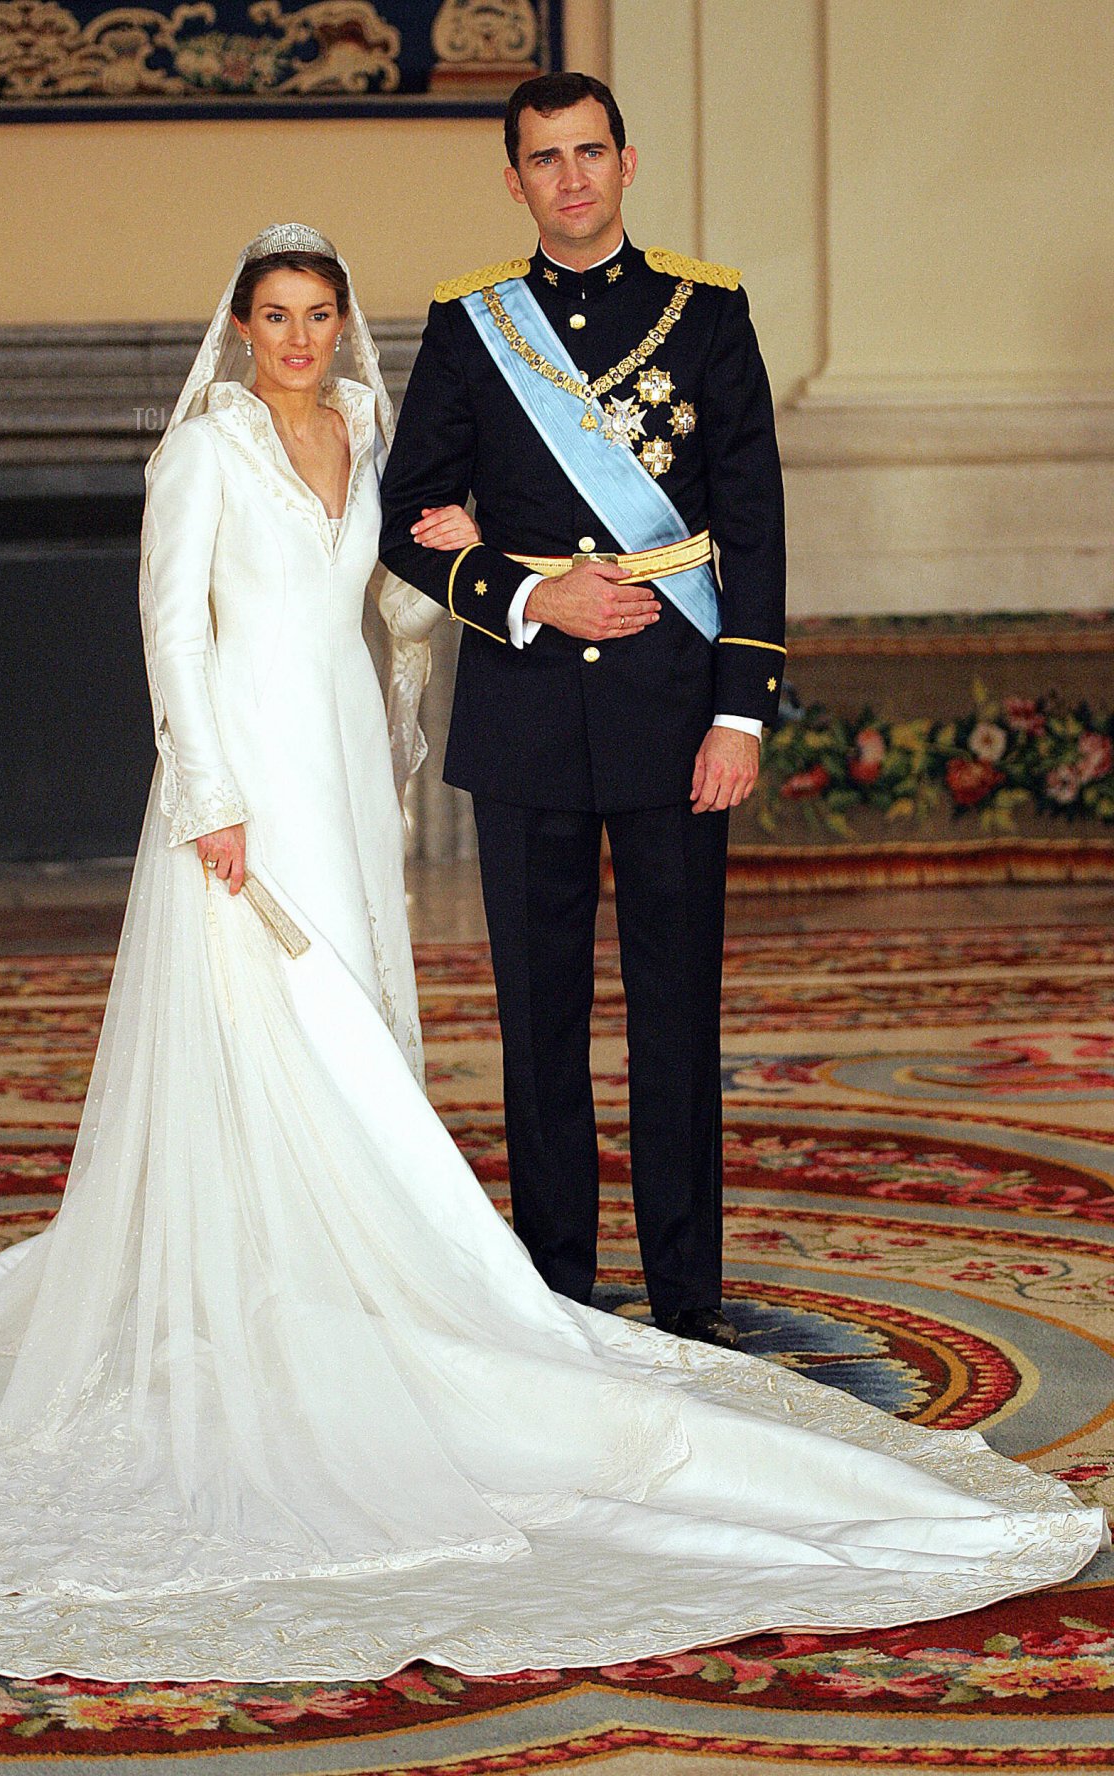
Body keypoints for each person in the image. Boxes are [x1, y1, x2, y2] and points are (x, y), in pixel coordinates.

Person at [0, 225, 1103, 1688]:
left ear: (343, 326)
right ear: (235, 330)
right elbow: (172, 629)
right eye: (272, 316)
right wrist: (211, 798)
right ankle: (272, 1266)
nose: (295, 336)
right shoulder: (206, 453)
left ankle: (372, 1266)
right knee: (276, 1023)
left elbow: (402, 588)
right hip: (250, 778)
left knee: (357, 997)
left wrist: (489, 574)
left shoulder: (362, 422)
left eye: (317, 314)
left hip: (348, 760)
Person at [380, 72, 785, 1349]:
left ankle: (687, 1300)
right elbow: (403, 522)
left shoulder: (705, 311)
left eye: (591, 153)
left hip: (677, 707)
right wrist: (527, 595)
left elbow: (756, 517)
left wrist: (743, 716)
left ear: (626, 162)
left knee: (677, 1011)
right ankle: (557, 1290)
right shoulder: (470, 322)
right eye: (545, 159)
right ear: (515, 180)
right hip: (528, 709)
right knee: (537, 1015)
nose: (571, 177)